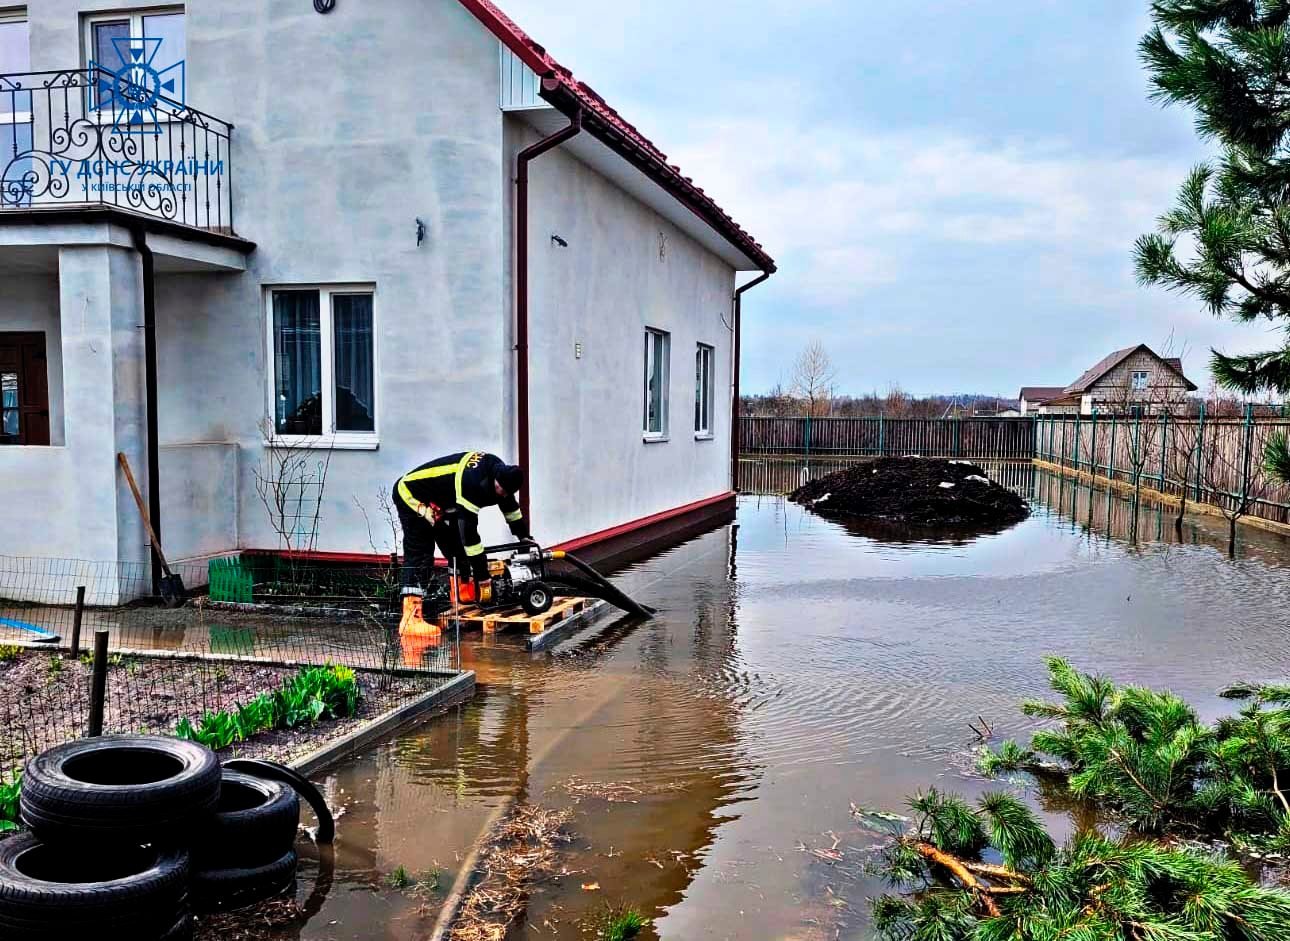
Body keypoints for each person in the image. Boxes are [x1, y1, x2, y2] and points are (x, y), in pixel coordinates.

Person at [393, 451, 530, 638]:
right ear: (494, 479)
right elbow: (470, 535)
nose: (501, 494)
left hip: (441, 503)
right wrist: (482, 575)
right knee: (421, 552)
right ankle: (411, 620)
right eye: (499, 489)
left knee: (455, 548)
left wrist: (524, 537)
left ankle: (462, 597)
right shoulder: (472, 482)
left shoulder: (502, 475)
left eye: (506, 492)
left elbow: (511, 510)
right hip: (411, 495)